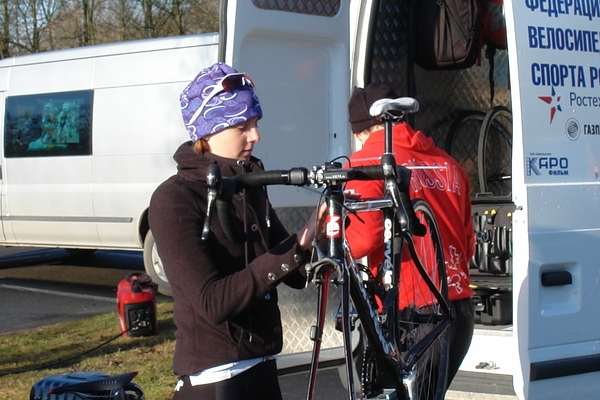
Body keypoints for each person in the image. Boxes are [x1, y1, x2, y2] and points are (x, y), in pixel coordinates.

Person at [149, 62, 324, 400]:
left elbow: (296, 275)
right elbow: (213, 303)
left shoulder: (247, 184)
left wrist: (319, 233)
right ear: (208, 133)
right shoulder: (174, 199)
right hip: (216, 380)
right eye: (243, 126)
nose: (255, 135)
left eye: (255, 124)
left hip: (260, 366)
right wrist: (297, 243)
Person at [344, 83, 475, 387]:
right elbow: (467, 248)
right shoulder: (449, 163)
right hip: (458, 308)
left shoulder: (365, 164)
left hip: (412, 313)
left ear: (360, 131)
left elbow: (360, 241)